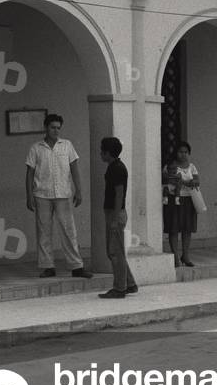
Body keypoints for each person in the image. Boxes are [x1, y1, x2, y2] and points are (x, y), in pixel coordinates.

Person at [25, 114, 93, 278]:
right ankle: (48, 266)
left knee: (69, 230)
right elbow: (30, 173)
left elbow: (74, 169)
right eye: (52, 127)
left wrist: (79, 190)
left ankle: (76, 266)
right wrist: (28, 195)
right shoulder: (36, 148)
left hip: (63, 193)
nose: (55, 130)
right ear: (46, 128)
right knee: (44, 231)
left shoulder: (67, 145)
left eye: (58, 128)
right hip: (42, 194)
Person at [98, 137, 137, 299]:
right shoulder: (114, 167)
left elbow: (119, 194)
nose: (100, 153)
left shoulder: (117, 169)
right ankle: (129, 283)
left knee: (115, 252)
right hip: (114, 212)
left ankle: (120, 288)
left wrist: (114, 218)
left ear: (108, 152)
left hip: (115, 213)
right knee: (117, 250)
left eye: (102, 151)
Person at [162, 141, 200, 267]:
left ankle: (186, 255)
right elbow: (166, 178)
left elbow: (197, 180)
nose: (183, 155)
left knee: (187, 229)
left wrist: (192, 182)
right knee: (173, 229)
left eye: (185, 152)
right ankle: (175, 256)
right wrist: (185, 181)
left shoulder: (192, 166)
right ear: (176, 153)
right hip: (174, 199)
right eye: (180, 152)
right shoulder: (170, 166)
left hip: (188, 200)